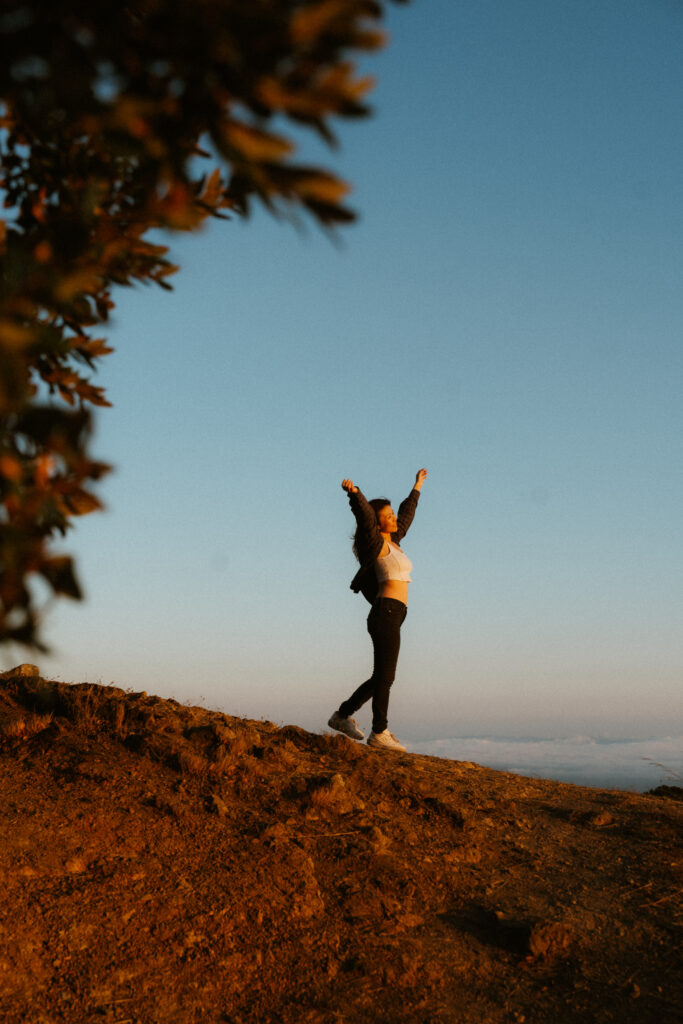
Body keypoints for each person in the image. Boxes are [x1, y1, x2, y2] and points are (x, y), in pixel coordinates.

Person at [328, 468, 428, 751]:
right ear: (378, 521)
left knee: (382, 677)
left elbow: (406, 515)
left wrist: (416, 486)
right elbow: (365, 517)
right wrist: (356, 495)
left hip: (393, 614)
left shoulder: (394, 543)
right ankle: (379, 732)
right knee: (385, 677)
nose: (394, 518)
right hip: (385, 612)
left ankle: (343, 715)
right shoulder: (375, 544)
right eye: (388, 516)